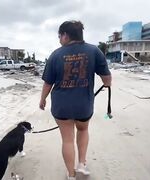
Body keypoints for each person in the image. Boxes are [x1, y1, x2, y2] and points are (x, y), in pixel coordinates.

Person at [39, 20, 112, 180]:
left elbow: (47, 83)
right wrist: (107, 85)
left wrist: (42, 99)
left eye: (59, 36)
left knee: (67, 139)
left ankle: (71, 175)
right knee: (83, 130)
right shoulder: (94, 51)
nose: (59, 39)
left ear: (65, 35)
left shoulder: (55, 54)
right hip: (84, 105)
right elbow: (106, 78)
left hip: (61, 106)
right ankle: (81, 164)